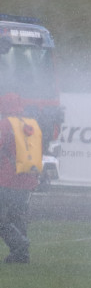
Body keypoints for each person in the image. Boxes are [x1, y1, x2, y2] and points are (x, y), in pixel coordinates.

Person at [0, 93, 42, 263]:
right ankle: (21, 255)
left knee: (2, 218)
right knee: (17, 217)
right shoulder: (30, 124)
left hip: (7, 179)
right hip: (27, 179)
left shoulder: (4, 124)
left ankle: (19, 244)